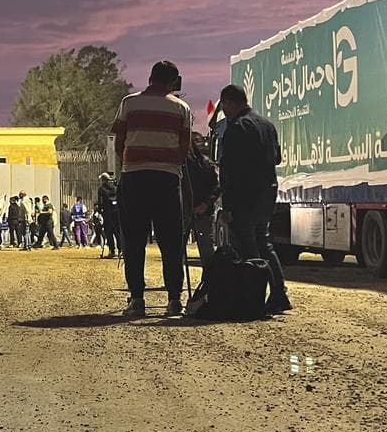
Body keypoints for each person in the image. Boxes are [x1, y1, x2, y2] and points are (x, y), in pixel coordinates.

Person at [112, 60, 192, 317]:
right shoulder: (181, 108)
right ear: (173, 81)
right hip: (167, 179)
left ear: (150, 78)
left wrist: (129, 163)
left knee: (134, 241)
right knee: (171, 242)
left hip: (134, 177)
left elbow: (119, 141)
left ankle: (137, 299)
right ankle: (174, 300)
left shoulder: (129, 103)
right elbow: (184, 148)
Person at [216, 84, 291, 314]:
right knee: (264, 243)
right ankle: (279, 294)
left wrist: (227, 207)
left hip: (244, 197)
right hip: (266, 194)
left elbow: (229, 171)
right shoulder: (267, 125)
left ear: (229, 103)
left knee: (247, 248)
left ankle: (252, 298)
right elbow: (277, 158)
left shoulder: (236, 128)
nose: (224, 111)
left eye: (224, 106)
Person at [185, 132, 220, 265]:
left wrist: (205, 204)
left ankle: (210, 275)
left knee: (206, 249)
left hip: (202, 211)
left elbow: (215, 187)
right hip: (184, 211)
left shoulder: (206, 164)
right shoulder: (180, 165)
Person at [95, 173, 121, 259]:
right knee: (118, 231)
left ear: (103, 180)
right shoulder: (116, 187)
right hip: (117, 212)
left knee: (109, 232)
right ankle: (121, 250)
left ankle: (112, 251)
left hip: (107, 213)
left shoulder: (101, 189)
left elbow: (100, 202)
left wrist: (99, 211)